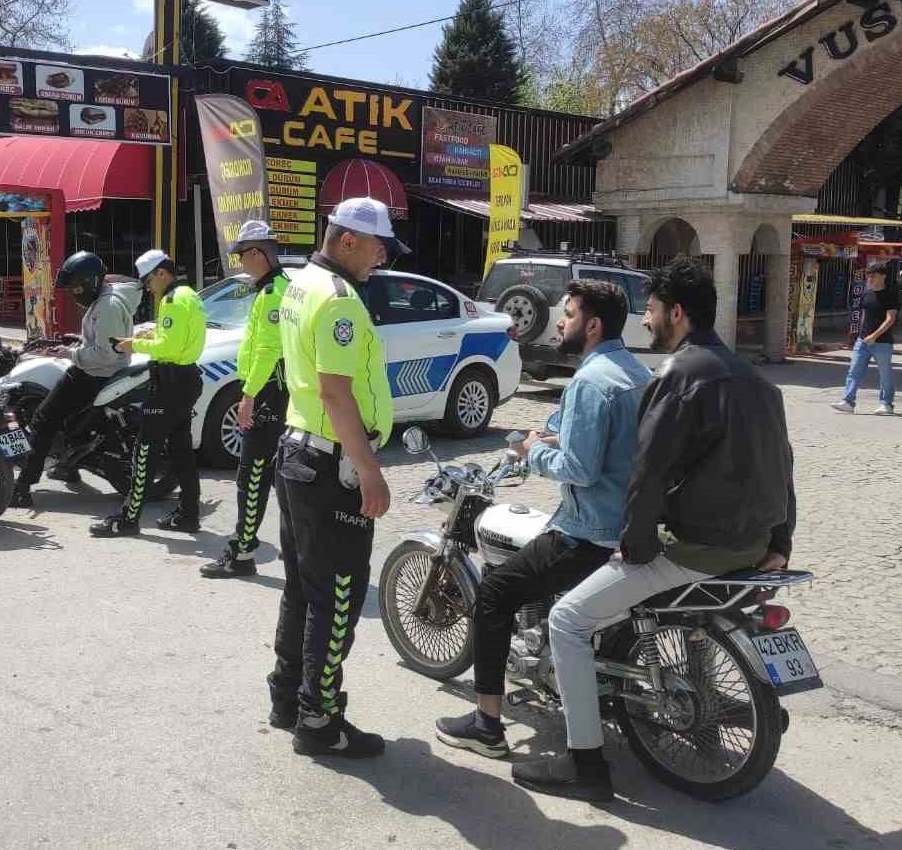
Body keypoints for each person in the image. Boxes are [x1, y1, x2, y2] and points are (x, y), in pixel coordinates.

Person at [513, 257, 796, 800]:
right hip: (754, 545)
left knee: (568, 619)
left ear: (678, 313)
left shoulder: (679, 375)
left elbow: (650, 471)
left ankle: (586, 767)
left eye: (652, 309)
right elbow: (784, 468)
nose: (647, 320)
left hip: (696, 547)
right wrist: (780, 544)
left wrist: (635, 546)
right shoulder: (758, 380)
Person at [435, 280, 652, 758]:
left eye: (569, 314)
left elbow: (580, 468)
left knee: (493, 594)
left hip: (589, 531)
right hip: (631, 524)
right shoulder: (636, 372)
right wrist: (552, 439)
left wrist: (533, 453)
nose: (558, 320)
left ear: (592, 326)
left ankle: (487, 725)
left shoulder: (591, 383)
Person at [268, 197, 403, 759]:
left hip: (298, 452)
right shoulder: (340, 300)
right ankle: (320, 721)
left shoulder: (300, 284)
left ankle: (286, 697)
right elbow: (336, 391)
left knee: (304, 586)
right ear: (347, 240)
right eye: (378, 246)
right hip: (332, 467)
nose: (383, 257)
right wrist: (370, 474)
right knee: (337, 597)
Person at [92, 249, 206, 536]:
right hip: (184, 381)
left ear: (161, 273)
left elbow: (169, 348)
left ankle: (128, 519)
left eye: (148, 281)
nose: (147, 287)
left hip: (170, 384)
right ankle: (189, 515)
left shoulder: (173, 300)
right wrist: (142, 337)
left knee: (144, 450)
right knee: (182, 453)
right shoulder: (188, 295)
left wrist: (134, 346)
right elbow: (175, 339)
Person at [11, 252, 139, 508]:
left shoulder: (108, 306)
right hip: (98, 369)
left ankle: (22, 487)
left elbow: (104, 353)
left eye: (78, 286)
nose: (75, 292)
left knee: (45, 418)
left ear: (92, 281)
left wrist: (71, 353)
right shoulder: (103, 300)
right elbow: (102, 342)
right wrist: (73, 343)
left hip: (95, 373)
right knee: (67, 420)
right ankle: (68, 466)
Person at [201, 220, 290, 579]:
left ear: (258, 253)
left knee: (251, 474)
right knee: (276, 474)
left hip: (269, 391)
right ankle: (293, 545)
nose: (240, 262)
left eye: (242, 256)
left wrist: (249, 396)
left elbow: (268, 349)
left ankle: (242, 554)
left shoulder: (274, 293)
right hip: (273, 390)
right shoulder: (276, 288)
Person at [833, 262, 899, 416]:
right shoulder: (867, 294)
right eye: (868, 276)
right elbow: (864, 316)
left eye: (873, 276)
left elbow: (890, 319)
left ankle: (886, 404)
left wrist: (874, 336)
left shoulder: (891, 295)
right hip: (862, 341)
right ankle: (848, 402)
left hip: (882, 342)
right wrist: (859, 336)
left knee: (885, 374)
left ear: (883, 276)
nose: (870, 279)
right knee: (854, 371)